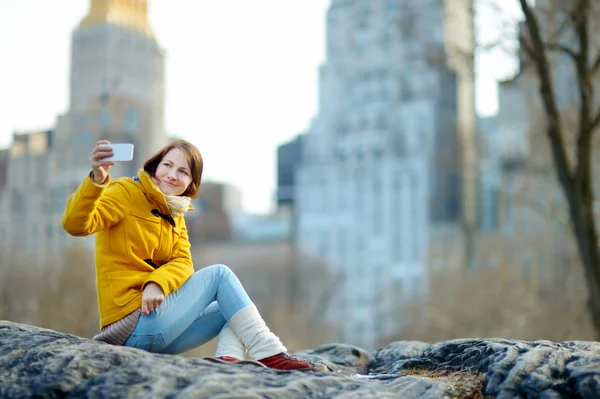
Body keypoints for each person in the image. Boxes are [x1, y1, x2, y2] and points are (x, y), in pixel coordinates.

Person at [62, 139, 327, 372]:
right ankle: (269, 352)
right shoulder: (126, 192)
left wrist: (158, 282)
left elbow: (183, 263)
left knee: (233, 306)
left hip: (157, 330)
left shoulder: (176, 215)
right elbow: (75, 225)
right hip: (131, 324)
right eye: (167, 165)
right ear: (155, 166)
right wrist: (97, 180)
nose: (172, 175)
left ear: (191, 184)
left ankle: (229, 363)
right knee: (220, 275)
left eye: (183, 172)